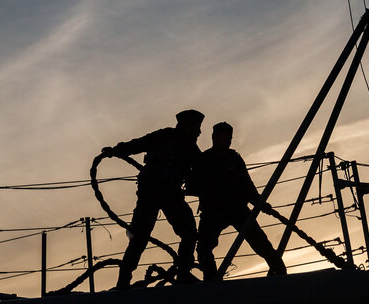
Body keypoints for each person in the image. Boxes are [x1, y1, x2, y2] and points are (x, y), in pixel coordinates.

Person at [102, 110, 204, 288]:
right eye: (197, 127)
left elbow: (200, 176)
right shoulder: (170, 139)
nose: (199, 132)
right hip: (154, 193)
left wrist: (117, 150)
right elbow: (139, 144)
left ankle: (181, 274)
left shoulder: (189, 149)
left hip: (166, 193)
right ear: (187, 125)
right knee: (144, 236)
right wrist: (117, 150)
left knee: (184, 232)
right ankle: (125, 279)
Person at [193, 122, 286, 281]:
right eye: (223, 137)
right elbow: (193, 186)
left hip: (237, 209)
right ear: (214, 138)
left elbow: (247, 185)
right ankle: (211, 280)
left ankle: (281, 273)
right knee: (203, 248)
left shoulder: (234, 159)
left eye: (229, 138)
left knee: (261, 243)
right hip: (213, 211)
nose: (227, 141)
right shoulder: (204, 160)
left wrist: (260, 203)